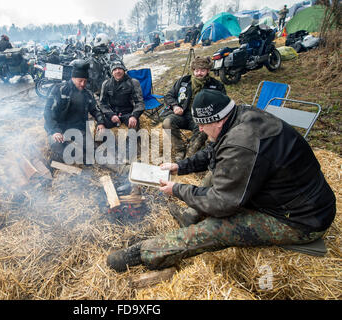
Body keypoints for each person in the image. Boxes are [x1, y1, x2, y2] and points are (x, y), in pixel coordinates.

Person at [107, 89, 336, 272]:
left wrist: (177, 189)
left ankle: (145, 253)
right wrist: (180, 166)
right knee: (216, 172)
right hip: (286, 196)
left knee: (218, 228)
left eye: (203, 125)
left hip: (300, 219)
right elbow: (213, 152)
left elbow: (223, 204)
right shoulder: (239, 116)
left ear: (217, 121)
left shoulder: (241, 143)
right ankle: (191, 216)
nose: (199, 129)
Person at [162, 56, 226, 162]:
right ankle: (180, 150)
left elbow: (223, 104)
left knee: (204, 131)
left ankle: (190, 155)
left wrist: (210, 115)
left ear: (208, 70)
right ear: (193, 70)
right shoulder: (184, 81)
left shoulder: (216, 85)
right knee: (167, 123)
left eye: (202, 70)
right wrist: (175, 106)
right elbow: (169, 95)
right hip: (183, 115)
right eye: (196, 70)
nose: (198, 73)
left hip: (202, 119)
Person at [43, 59, 106, 163]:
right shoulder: (59, 89)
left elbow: (95, 110)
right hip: (59, 130)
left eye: (85, 81)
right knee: (63, 154)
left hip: (78, 130)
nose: (83, 84)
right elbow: (47, 112)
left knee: (92, 153)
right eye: (80, 81)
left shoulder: (87, 93)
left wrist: (100, 122)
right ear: (73, 78)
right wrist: (54, 131)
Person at [99, 60, 145, 130]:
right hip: (113, 113)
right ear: (112, 72)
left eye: (120, 68)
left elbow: (140, 103)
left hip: (128, 113)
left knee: (133, 131)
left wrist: (134, 116)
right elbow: (102, 103)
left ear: (124, 70)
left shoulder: (133, 82)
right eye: (114, 69)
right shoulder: (106, 84)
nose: (117, 71)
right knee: (99, 130)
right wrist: (111, 115)